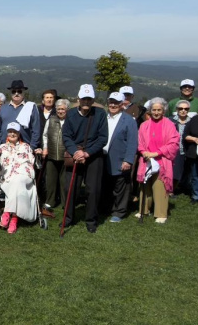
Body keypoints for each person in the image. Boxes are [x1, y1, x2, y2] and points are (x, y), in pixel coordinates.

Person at [62, 84, 108, 233]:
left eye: (89, 99)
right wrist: (75, 151)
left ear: (93, 99)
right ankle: (68, 218)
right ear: (78, 99)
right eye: (84, 99)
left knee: (92, 190)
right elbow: (66, 136)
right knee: (70, 188)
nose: (86, 102)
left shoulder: (100, 114)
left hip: (93, 156)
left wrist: (87, 153)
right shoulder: (70, 114)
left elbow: (103, 138)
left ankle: (91, 220)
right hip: (75, 154)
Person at [135, 98, 180, 223]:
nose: (156, 112)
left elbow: (174, 143)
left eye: (159, 110)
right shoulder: (144, 125)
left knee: (160, 186)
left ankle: (160, 213)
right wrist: (144, 152)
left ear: (164, 110)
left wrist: (156, 153)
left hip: (162, 160)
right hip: (146, 160)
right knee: (145, 186)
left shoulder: (170, 124)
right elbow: (140, 142)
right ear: (150, 111)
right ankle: (143, 210)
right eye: (154, 110)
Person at [102, 92, 139, 222]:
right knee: (106, 185)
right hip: (103, 158)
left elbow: (132, 142)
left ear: (122, 104)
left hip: (120, 159)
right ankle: (106, 208)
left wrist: (128, 160)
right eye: (111, 102)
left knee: (121, 187)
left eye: (116, 102)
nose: (113, 105)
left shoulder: (129, 120)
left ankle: (119, 212)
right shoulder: (103, 117)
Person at [0, 122, 38, 233]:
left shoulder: (26, 147)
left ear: (19, 134)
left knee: (18, 180)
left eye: (14, 132)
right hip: (8, 176)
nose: (12, 134)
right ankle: (14, 217)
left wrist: (37, 152)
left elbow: (32, 161)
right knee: (15, 182)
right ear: (7, 133)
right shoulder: (1, 147)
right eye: (10, 131)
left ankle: (7, 213)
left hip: (24, 175)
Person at [0, 80, 41, 151]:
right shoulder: (3, 107)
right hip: (5, 148)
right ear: (11, 93)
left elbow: (36, 130)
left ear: (24, 92)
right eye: (14, 91)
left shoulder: (31, 107)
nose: (16, 93)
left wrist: (32, 147)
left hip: (25, 149)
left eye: (19, 91)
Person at [41, 98, 69, 211]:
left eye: (63, 109)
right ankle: (50, 201)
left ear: (67, 109)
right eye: (58, 109)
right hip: (51, 154)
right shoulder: (51, 120)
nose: (60, 111)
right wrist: (45, 148)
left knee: (64, 181)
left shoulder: (70, 121)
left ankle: (65, 202)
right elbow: (45, 135)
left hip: (65, 155)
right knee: (50, 180)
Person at [170, 100, 194, 195]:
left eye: (186, 109)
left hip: (187, 150)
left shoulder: (193, 122)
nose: (183, 110)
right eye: (181, 108)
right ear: (177, 109)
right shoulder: (170, 120)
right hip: (174, 150)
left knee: (187, 171)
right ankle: (171, 190)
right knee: (175, 172)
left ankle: (184, 187)